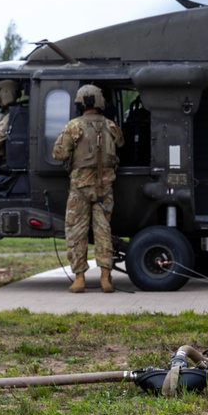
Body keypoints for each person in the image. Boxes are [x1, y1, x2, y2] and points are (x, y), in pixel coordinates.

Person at [52, 84, 125, 293]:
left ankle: (80, 278)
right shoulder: (111, 126)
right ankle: (105, 279)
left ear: (80, 104)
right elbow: (121, 143)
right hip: (104, 189)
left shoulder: (74, 126)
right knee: (103, 232)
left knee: (76, 232)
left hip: (80, 189)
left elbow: (59, 154)